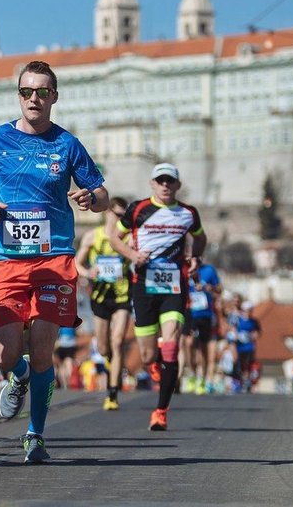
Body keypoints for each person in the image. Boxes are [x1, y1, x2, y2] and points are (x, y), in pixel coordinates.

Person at [0, 60, 109, 463]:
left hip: (55, 259)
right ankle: (17, 377)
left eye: (42, 92)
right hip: (7, 258)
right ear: (18, 95)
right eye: (26, 92)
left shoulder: (67, 144)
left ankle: (35, 434)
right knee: (6, 354)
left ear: (54, 96)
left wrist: (91, 199)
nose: (34, 98)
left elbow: (101, 194)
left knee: (44, 348)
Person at [106, 162, 205, 431]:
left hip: (175, 285)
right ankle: (155, 365)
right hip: (143, 286)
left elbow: (200, 238)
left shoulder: (188, 213)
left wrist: (195, 257)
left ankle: (161, 412)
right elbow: (115, 238)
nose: (165, 185)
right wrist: (132, 255)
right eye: (160, 180)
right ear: (152, 184)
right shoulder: (138, 209)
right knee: (149, 355)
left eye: (170, 181)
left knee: (171, 343)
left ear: (177, 185)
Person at [74, 196, 132, 410]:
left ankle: (112, 393)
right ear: (108, 213)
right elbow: (77, 263)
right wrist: (89, 272)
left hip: (122, 296)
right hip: (99, 297)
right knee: (105, 346)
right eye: (118, 215)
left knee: (117, 342)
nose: (120, 220)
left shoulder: (128, 239)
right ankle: (109, 361)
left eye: (124, 217)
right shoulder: (92, 237)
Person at [184, 259, 222, 394]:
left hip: (205, 314)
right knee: (188, 343)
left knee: (204, 349)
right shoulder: (184, 267)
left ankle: (203, 379)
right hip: (190, 313)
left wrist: (209, 288)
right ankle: (192, 373)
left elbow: (219, 289)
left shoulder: (209, 270)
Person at [228, 300, 261, 392]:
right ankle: (236, 381)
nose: (248, 312)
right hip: (239, 346)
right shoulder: (238, 320)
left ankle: (246, 381)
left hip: (249, 346)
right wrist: (236, 336)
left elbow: (257, 333)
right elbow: (231, 330)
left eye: (250, 310)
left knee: (248, 364)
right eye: (247, 310)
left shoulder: (254, 321)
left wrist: (252, 335)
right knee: (238, 363)